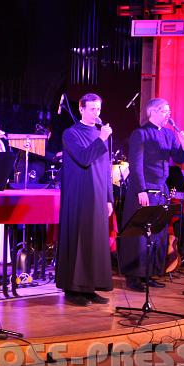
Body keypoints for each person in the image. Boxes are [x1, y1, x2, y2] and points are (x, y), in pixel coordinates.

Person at [119, 98, 184, 291]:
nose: (169, 114)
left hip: (161, 189)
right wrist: (141, 190)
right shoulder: (140, 134)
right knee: (140, 235)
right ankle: (134, 277)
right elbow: (136, 164)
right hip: (144, 189)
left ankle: (149, 273)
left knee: (158, 234)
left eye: (169, 110)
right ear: (154, 112)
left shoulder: (168, 134)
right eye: (165, 110)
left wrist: (183, 145)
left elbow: (179, 158)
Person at [55, 93, 114, 306]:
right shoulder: (71, 133)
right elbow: (84, 159)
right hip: (79, 194)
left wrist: (109, 198)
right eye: (92, 109)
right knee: (79, 239)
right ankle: (73, 289)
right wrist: (102, 139)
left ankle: (90, 288)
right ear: (81, 109)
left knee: (95, 241)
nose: (96, 113)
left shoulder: (100, 133)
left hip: (99, 195)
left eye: (98, 109)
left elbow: (106, 169)